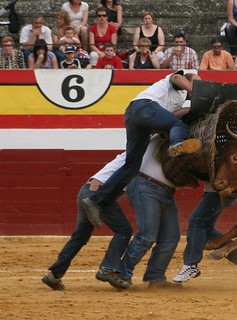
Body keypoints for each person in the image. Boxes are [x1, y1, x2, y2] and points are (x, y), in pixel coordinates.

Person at [81, 71, 202, 229]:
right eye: (196, 84)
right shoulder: (178, 82)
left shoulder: (178, 99)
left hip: (136, 116)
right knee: (179, 126)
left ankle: (96, 200)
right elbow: (177, 78)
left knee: (131, 167)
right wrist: (194, 90)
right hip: (144, 107)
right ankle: (176, 145)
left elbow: (168, 116)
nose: (198, 88)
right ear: (189, 82)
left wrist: (189, 109)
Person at [41, 152, 133, 291]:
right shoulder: (139, 155)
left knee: (80, 236)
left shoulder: (133, 152)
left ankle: (54, 275)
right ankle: (108, 269)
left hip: (87, 190)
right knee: (124, 230)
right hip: (99, 195)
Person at [102, 134, 182, 289]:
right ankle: (121, 275)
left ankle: (156, 277)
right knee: (147, 235)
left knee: (171, 237)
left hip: (168, 192)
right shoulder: (160, 133)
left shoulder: (185, 139)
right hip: (145, 186)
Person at [172, 186, 237, 283]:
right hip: (218, 191)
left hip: (219, 191)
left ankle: (191, 264)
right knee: (205, 228)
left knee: (197, 221)